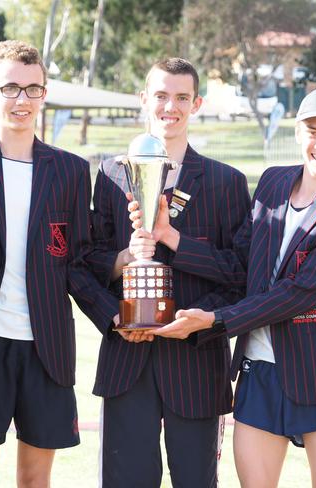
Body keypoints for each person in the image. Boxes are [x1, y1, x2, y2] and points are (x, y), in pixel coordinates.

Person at [145, 86, 316, 487]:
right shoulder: (271, 183)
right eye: (312, 130)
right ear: (297, 132)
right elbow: (240, 268)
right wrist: (171, 237)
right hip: (258, 372)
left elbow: (299, 292)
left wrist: (216, 320)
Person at [0, 40, 120, 488]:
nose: (21, 100)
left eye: (32, 89)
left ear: (44, 94)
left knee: (35, 481)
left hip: (48, 348)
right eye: (10, 88)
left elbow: (77, 263)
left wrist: (113, 314)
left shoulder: (68, 170)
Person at [88, 58, 251, 487]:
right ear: (145, 99)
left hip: (196, 362)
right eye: (161, 95)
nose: (170, 107)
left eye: (181, 97)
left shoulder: (226, 182)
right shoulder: (110, 176)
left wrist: (176, 243)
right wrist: (116, 314)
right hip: (127, 360)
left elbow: (240, 274)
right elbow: (88, 263)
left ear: (196, 103)